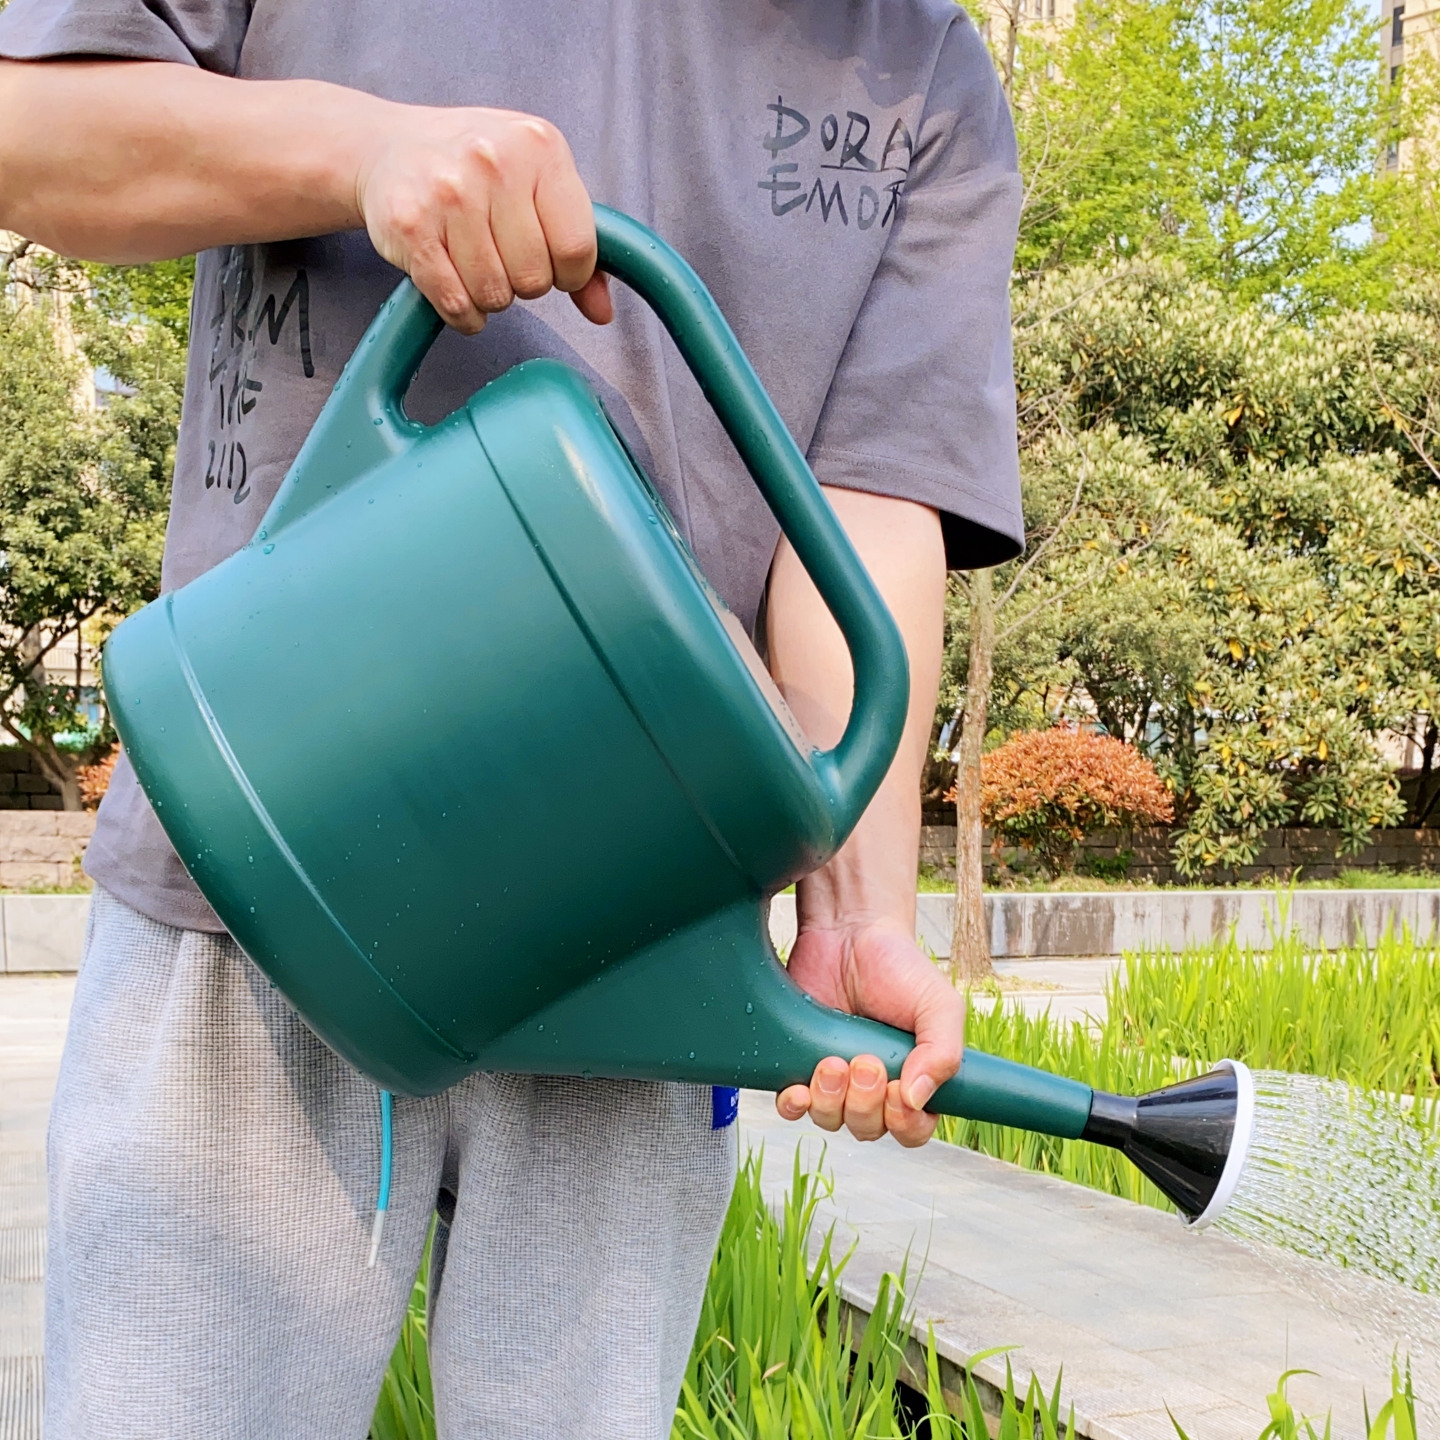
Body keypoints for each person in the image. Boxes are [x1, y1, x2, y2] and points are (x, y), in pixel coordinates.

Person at [0, 0, 1022, 1433]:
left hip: (638, 919)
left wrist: (855, 913)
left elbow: (857, 518)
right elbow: (30, 128)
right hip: (260, 854)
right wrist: (365, 154)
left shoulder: (924, 68)